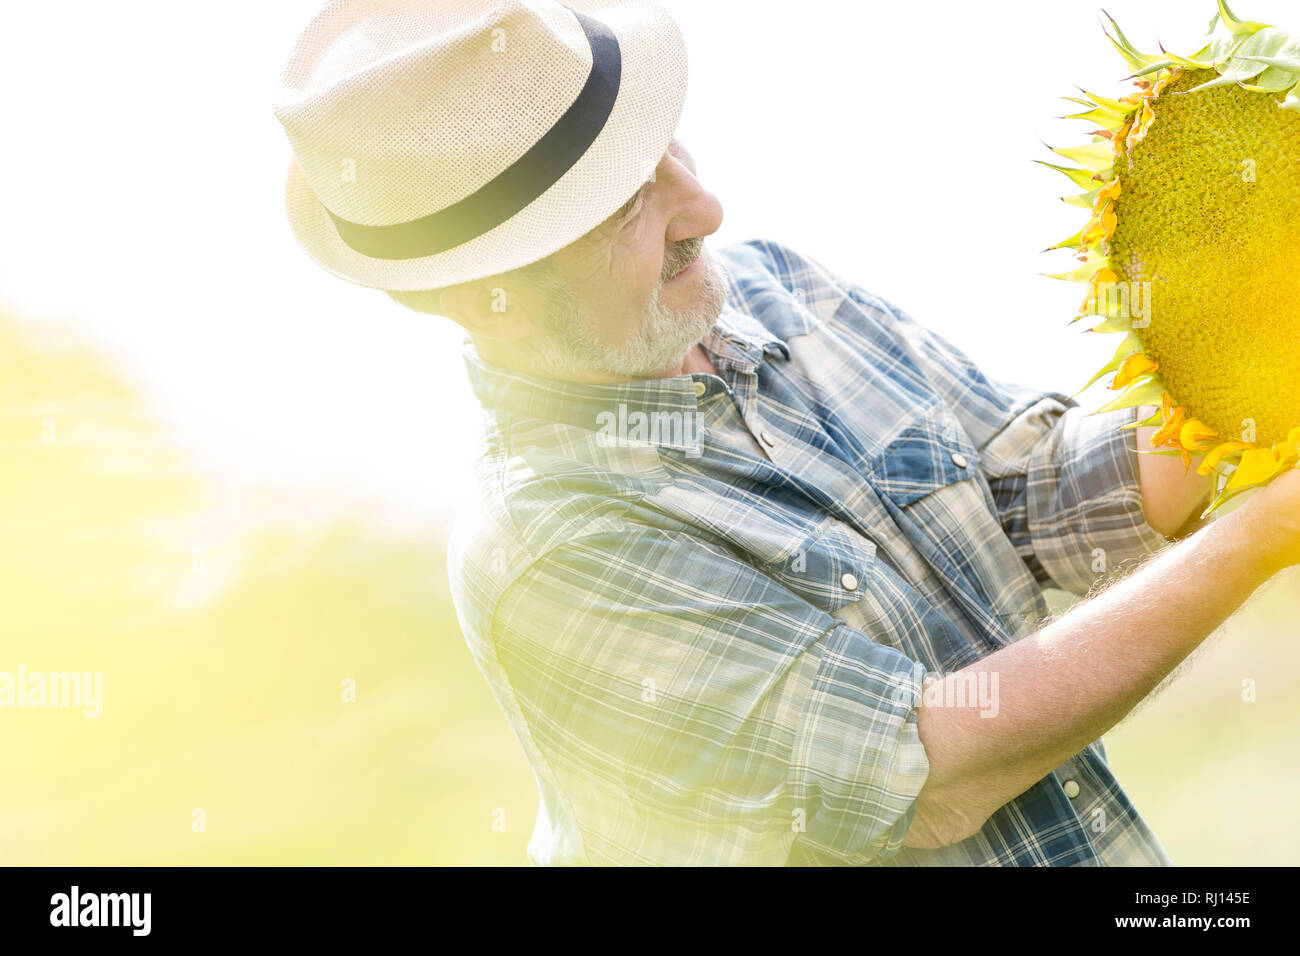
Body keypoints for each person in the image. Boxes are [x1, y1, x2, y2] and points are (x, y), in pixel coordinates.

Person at [272, 0, 1300, 864]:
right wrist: (1261, 534)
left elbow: (1040, 495)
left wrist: (1252, 350)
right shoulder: (551, 552)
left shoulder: (776, 288)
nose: (703, 207)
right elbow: (940, 763)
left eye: (664, 150)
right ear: (484, 297)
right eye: (629, 204)